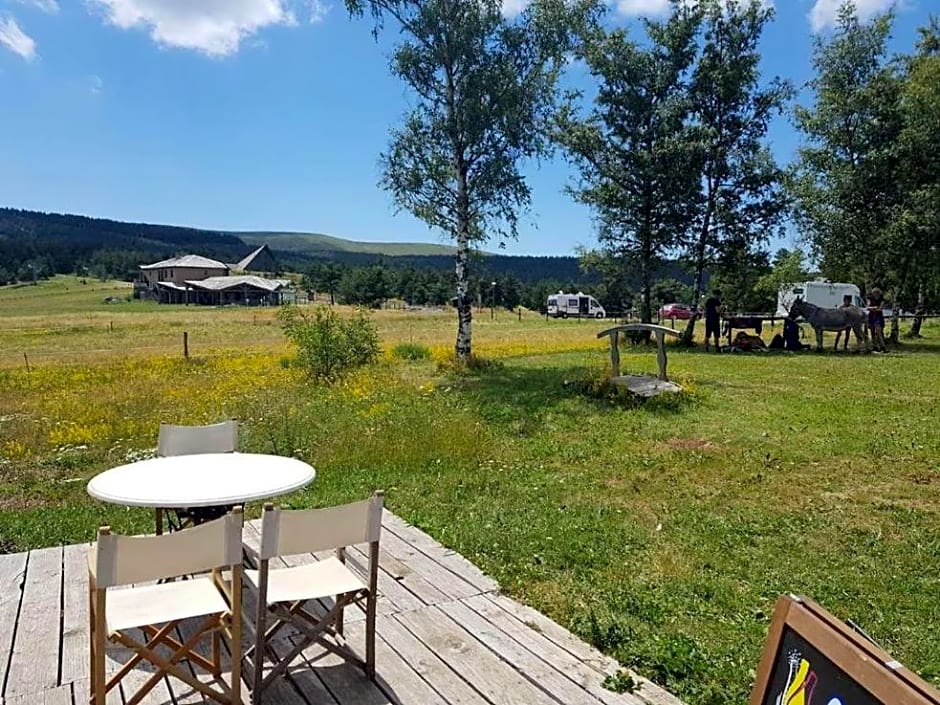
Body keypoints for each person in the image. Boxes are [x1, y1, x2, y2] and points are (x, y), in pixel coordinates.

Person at [867, 287, 886, 352]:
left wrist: (873, 309)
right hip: (871, 316)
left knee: (878, 332)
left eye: (876, 293)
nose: (875, 294)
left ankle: (883, 346)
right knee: (872, 332)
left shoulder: (882, 300)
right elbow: (868, 307)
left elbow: (880, 308)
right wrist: (874, 308)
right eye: (874, 293)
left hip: (878, 316)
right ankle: (874, 346)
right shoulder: (870, 299)